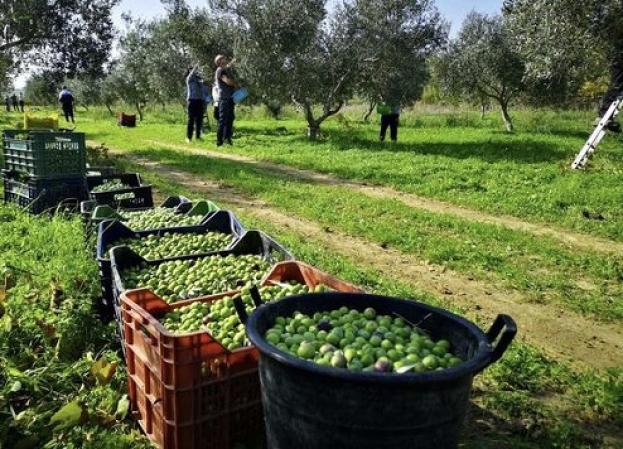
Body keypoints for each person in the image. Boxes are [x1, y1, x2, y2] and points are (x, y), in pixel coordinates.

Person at [214, 54, 240, 146]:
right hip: (224, 99)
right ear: (219, 61)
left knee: (230, 119)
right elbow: (227, 81)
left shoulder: (226, 70)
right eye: (223, 58)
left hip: (230, 98)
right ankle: (219, 141)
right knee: (222, 120)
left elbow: (231, 81)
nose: (226, 59)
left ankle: (227, 139)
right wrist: (235, 83)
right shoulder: (220, 70)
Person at [185, 65, 205, 143]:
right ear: (189, 70)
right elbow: (191, 74)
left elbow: (203, 82)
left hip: (199, 101)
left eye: (192, 69)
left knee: (199, 119)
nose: (192, 71)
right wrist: (195, 67)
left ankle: (198, 136)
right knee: (191, 120)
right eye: (190, 69)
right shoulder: (189, 79)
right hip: (192, 101)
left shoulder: (198, 79)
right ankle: (188, 137)